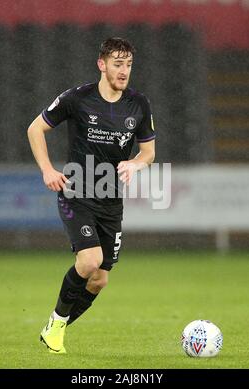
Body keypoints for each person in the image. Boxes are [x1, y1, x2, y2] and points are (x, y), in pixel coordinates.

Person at [27, 37, 156, 354]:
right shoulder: (78, 98)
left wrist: (135, 164)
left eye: (128, 64)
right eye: (117, 64)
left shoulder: (139, 105)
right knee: (90, 259)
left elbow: (149, 153)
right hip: (77, 193)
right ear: (102, 64)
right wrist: (47, 169)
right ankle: (56, 327)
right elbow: (35, 129)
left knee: (99, 280)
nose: (124, 71)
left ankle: (53, 326)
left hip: (111, 201)